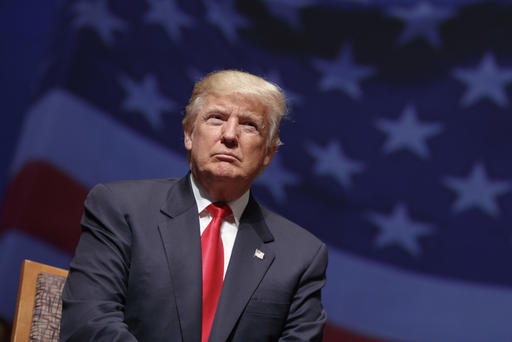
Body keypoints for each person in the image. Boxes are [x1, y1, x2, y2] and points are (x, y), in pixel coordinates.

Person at [60, 70, 328, 342]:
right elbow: (89, 323)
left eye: (249, 125)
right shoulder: (120, 209)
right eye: (217, 118)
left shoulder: (302, 256)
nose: (230, 134)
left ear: (268, 153)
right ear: (189, 134)